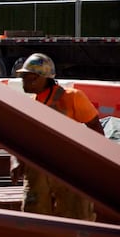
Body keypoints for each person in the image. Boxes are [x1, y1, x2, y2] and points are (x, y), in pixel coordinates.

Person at [12, 53, 104, 221]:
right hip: (39, 168)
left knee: (76, 216)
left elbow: (95, 127)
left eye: (30, 78)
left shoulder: (72, 97)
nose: (25, 82)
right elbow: (21, 137)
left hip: (69, 167)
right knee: (35, 217)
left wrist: (97, 162)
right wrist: (17, 161)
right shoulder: (30, 105)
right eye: (23, 77)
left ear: (44, 78)